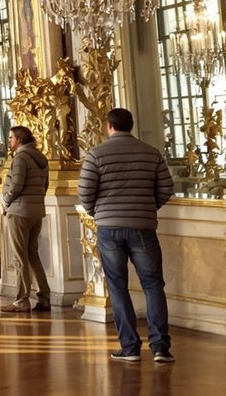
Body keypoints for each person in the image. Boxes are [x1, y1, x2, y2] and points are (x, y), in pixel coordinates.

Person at [79, 108, 175, 363]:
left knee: (118, 286)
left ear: (109, 126)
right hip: (143, 227)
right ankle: (160, 348)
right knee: (153, 285)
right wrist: (146, 207)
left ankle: (130, 347)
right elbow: (167, 188)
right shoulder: (151, 153)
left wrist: (99, 212)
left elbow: (85, 193)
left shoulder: (96, 154)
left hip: (109, 228)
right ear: (131, 125)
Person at [0, 125, 50, 312]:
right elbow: (45, 185)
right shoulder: (41, 158)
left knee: (20, 257)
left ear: (19, 139)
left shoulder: (21, 158)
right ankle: (44, 297)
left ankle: (21, 300)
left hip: (19, 212)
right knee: (32, 255)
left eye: (11, 137)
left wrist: (6, 201)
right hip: (36, 211)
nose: (9, 140)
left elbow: (16, 184)